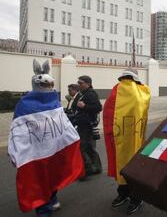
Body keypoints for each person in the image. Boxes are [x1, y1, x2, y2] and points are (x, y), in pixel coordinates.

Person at [8, 60, 83, 217]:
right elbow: (18, 130)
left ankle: (53, 199)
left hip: (53, 149)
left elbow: (63, 123)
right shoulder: (25, 105)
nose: (49, 89)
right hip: (36, 153)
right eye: (46, 86)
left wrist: (72, 136)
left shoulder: (54, 102)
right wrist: (15, 151)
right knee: (39, 180)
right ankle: (44, 211)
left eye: (50, 86)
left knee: (53, 175)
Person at [103, 69, 150, 215]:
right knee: (126, 164)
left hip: (125, 135)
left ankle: (135, 197)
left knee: (126, 164)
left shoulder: (138, 91)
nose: (125, 81)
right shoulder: (141, 91)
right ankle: (125, 194)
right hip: (125, 135)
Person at [71, 75, 102, 179]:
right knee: (89, 147)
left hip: (86, 125)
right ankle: (97, 167)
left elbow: (98, 107)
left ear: (87, 84)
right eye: (78, 83)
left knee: (82, 148)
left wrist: (85, 106)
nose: (78, 85)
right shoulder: (83, 94)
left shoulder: (91, 94)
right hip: (83, 124)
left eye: (81, 83)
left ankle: (87, 170)